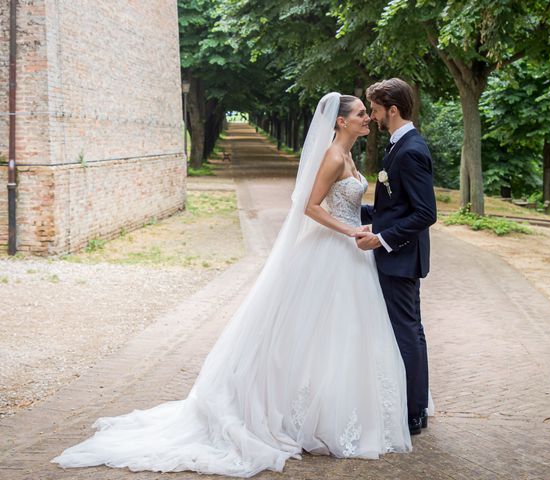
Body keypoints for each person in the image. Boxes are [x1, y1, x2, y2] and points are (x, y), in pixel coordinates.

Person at [52, 92, 414, 478]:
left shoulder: (351, 156)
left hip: (351, 256)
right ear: (340, 121)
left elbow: (349, 203)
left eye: (365, 113)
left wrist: (366, 228)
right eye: (360, 114)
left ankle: (331, 413)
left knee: (340, 336)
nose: (366, 118)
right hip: (332, 250)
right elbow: (308, 205)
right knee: (316, 332)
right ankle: (305, 417)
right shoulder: (332, 156)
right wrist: (348, 230)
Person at [356, 78, 437, 435]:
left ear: (392, 109)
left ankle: (414, 412)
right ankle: (412, 405)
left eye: (374, 110)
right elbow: (396, 206)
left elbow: (424, 213)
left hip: (401, 257)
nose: (372, 117)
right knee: (404, 330)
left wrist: (382, 239)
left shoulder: (412, 151)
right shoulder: (398, 146)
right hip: (397, 255)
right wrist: (352, 211)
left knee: (407, 332)